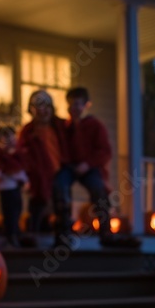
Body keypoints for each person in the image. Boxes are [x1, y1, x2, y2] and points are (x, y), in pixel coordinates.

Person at [56, 86, 139, 248]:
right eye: (71, 105)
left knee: (98, 190)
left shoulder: (95, 125)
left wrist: (88, 164)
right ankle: (63, 233)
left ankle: (105, 233)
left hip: (90, 167)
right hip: (70, 167)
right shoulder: (66, 127)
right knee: (60, 186)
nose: (74, 108)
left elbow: (105, 151)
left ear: (86, 105)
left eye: (77, 104)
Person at [17, 89, 64, 237]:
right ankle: (34, 235)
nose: (43, 111)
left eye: (46, 106)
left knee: (60, 205)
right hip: (38, 175)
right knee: (38, 204)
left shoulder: (60, 127)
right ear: (31, 110)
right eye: (38, 107)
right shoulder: (27, 131)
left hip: (60, 172)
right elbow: (22, 155)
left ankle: (60, 236)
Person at [0, 123, 32, 248]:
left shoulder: (17, 154)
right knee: (9, 212)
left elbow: (20, 168)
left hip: (15, 186)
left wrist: (21, 178)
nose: (9, 139)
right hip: (5, 187)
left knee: (17, 209)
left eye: (11, 136)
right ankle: (10, 236)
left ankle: (16, 233)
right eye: (5, 137)